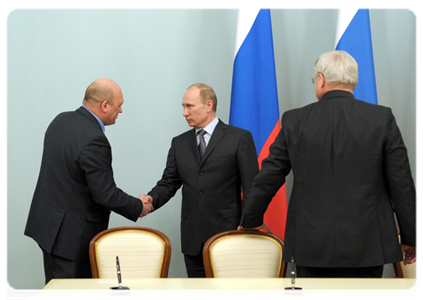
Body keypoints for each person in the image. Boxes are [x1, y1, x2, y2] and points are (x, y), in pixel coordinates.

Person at [240, 50, 420, 278]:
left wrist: (251, 219)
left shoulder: (295, 120)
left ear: (322, 80)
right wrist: (411, 239)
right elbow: (401, 183)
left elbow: (269, 176)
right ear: (353, 81)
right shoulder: (381, 118)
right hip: (367, 246)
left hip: (310, 245)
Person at [24, 78, 154, 283]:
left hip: (48, 229)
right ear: (104, 105)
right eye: (119, 106)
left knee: (55, 292)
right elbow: (105, 194)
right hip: (71, 239)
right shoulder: (95, 139)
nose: (120, 111)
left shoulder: (60, 120)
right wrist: (139, 206)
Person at [141, 83, 259, 277]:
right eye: (183, 107)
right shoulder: (179, 143)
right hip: (193, 239)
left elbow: (252, 186)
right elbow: (169, 182)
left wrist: (247, 223)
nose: (184, 113)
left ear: (208, 105)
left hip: (228, 235)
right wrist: (151, 201)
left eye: (189, 106)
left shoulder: (238, 138)